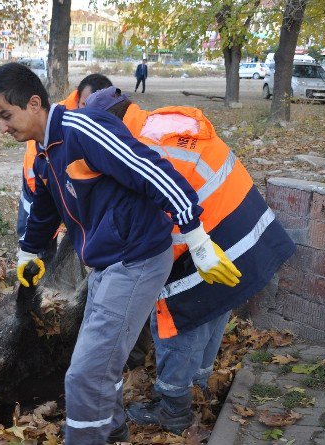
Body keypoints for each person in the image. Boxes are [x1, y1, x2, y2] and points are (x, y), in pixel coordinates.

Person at [0, 63, 241, 444]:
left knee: (85, 374)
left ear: (33, 103)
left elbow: (156, 173)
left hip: (137, 259)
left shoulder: (86, 129)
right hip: (107, 263)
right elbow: (45, 205)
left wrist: (197, 240)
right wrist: (28, 252)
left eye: (5, 115)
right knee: (99, 362)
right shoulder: (46, 151)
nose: (1, 127)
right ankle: (113, 429)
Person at [84, 86, 295, 434]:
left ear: (109, 124)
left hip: (210, 239)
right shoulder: (159, 125)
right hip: (244, 230)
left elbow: (159, 229)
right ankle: (199, 386)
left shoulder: (144, 150)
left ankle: (174, 410)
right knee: (211, 308)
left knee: (176, 317)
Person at [17, 73, 112, 239]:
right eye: (85, 104)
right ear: (77, 99)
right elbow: (40, 184)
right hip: (38, 191)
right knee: (36, 236)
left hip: (68, 191)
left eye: (99, 107)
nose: (91, 112)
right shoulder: (50, 124)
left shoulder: (107, 123)